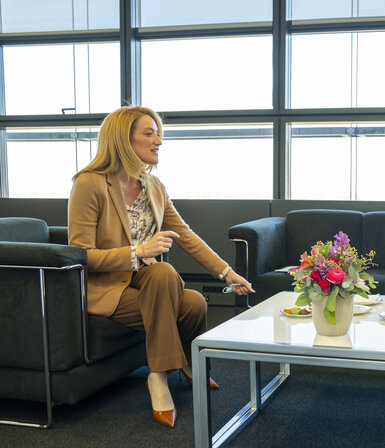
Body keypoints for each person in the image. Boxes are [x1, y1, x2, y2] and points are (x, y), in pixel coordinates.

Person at [68, 106, 255, 428]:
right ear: (123, 140)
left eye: (158, 133)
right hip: (106, 287)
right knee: (170, 278)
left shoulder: (154, 186)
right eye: (149, 133)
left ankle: (176, 367)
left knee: (190, 297)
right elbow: (80, 254)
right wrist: (138, 251)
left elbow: (185, 235)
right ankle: (160, 374)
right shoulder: (90, 183)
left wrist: (226, 272)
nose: (159, 141)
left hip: (148, 282)